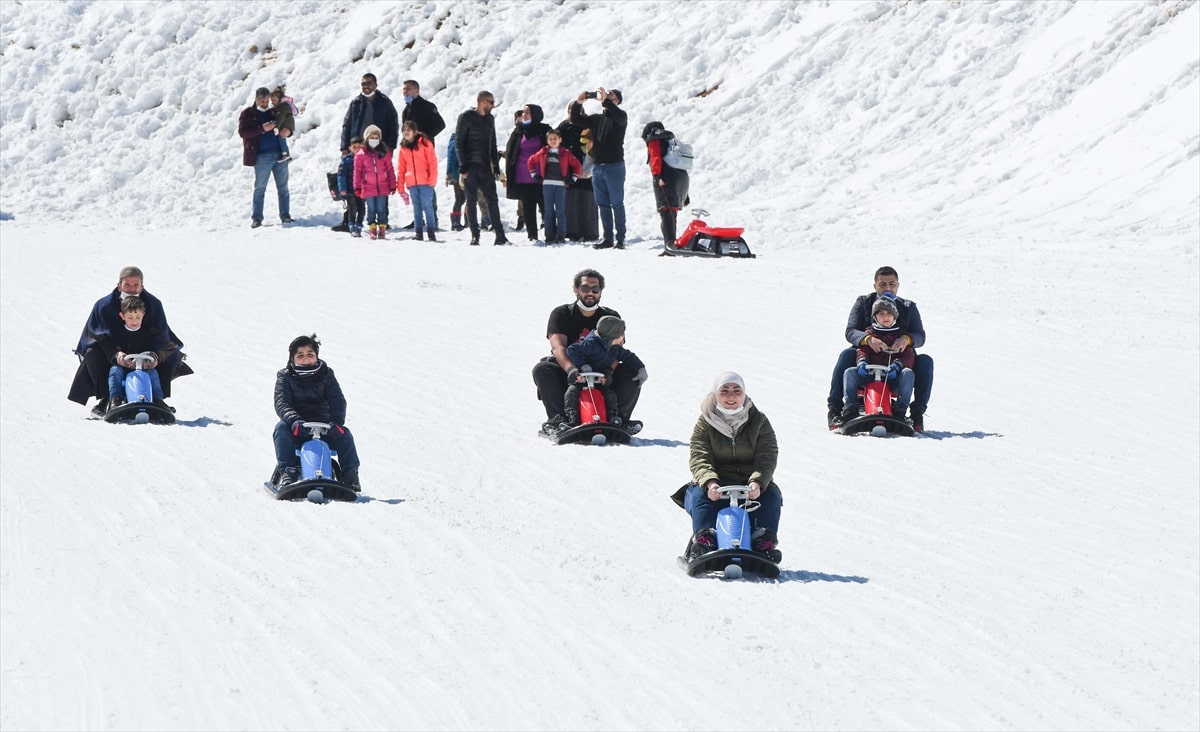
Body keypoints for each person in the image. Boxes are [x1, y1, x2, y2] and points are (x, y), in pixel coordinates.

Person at [670, 372, 783, 560]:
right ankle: (705, 539)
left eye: (736, 391)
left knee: (771, 495)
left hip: (748, 486)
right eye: (725, 391)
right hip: (716, 486)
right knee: (698, 495)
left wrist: (757, 482)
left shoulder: (758, 421)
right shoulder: (705, 422)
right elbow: (699, 455)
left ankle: (764, 541)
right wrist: (710, 482)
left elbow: (767, 455)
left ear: (744, 394)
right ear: (716, 395)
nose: (731, 396)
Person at [531, 269, 647, 435]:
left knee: (632, 371)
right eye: (585, 288)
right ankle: (558, 421)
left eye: (595, 289)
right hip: (571, 372)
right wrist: (572, 370)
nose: (590, 293)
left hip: (602, 373)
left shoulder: (610, 317)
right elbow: (558, 347)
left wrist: (608, 372)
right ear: (576, 289)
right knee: (542, 369)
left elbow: (617, 350)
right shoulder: (562, 314)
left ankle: (620, 420)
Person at [69, 266, 191, 416]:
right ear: (119, 285)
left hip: (145, 350)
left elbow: (160, 336)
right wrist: (116, 354)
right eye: (127, 284)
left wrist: (155, 357)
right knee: (92, 353)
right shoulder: (103, 306)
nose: (132, 289)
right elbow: (99, 337)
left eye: (136, 285)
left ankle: (158, 400)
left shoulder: (154, 305)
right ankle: (107, 399)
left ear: (142, 286)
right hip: (113, 353)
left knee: (172, 355)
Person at [826, 266, 934, 432]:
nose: (888, 288)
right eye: (883, 284)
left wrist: (906, 339)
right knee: (847, 355)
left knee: (925, 361)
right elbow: (851, 331)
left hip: (898, 361)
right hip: (868, 358)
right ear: (875, 285)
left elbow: (920, 336)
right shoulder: (864, 302)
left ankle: (916, 414)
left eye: (892, 284)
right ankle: (837, 410)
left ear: (898, 285)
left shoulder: (908, 307)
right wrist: (867, 340)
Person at [273, 334, 361, 491]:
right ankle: (289, 472)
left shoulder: (326, 374)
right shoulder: (285, 376)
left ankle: (350, 475)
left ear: (316, 356)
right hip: (297, 429)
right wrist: (294, 421)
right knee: (280, 429)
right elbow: (282, 402)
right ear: (292, 358)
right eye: (300, 355)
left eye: (310, 355)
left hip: (325, 427)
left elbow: (338, 400)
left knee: (345, 435)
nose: (306, 359)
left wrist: (336, 422)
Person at [334, 73, 399, 232]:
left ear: (376, 84)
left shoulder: (385, 102)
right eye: (363, 84)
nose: (366, 86)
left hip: (378, 149)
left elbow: (393, 124)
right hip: (358, 148)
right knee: (353, 183)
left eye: (369, 83)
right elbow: (347, 125)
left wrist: (390, 147)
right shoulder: (356, 103)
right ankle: (350, 219)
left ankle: (382, 220)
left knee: (379, 183)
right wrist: (344, 147)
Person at [840, 296, 916, 425]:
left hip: (892, 377)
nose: (885, 317)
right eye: (881, 314)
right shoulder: (870, 334)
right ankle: (850, 409)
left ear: (895, 316)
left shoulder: (901, 336)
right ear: (875, 317)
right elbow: (862, 350)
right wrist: (862, 362)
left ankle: (900, 411)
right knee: (850, 372)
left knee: (908, 373)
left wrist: (898, 365)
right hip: (869, 375)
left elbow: (909, 355)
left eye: (889, 314)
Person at [562, 315, 645, 430]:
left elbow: (628, 356)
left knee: (610, 396)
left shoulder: (614, 348)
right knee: (571, 393)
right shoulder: (591, 344)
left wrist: (641, 368)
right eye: (621, 334)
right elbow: (572, 350)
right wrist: (582, 366)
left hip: (599, 381)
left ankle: (613, 419)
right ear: (613, 336)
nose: (623, 338)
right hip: (581, 380)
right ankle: (572, 420)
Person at [569, 87, 627, 249]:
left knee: (617, 203)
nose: (607, 98)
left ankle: (620, 238)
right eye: (606, 95)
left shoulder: (621, 116)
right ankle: (607, 238)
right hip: (598, 167)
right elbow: (575, 119)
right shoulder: (596, 119)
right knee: (602, 204)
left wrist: (606, 101)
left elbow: (618, 117)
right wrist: (579, 102)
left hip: (614, 166)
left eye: (611, 97)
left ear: (618, 102)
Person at [454, 91, 510, 246]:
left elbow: (492, 143)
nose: (492, 105)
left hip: (485, 166)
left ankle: (500, 235)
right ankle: (475, 235)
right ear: (483, 102)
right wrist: (463, 165)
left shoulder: (490, 119)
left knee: (493, 199)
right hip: (470, 166)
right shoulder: (466, 117)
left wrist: (496, 166)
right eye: (491, 102)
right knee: (471, 200)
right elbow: (459, 142)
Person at [238, 86, 292, 228]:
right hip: (261, 156)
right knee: (260, 188)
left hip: (280, 154)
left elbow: (287, 121)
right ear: (255, 99)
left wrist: (289, 131)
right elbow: (243, 132)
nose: (264, 104)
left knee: (283, 188)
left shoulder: (274, 111)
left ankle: (285, 215)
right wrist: (262, 129)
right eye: (261, 101)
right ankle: (257, 218)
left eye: (266, 101)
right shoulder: (247, 114)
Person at [105, 296, 167, 413]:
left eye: (138, 317)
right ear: (122, 316)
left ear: (143, 315)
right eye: (130, 317)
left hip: (143, 366)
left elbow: (152, 347)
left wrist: (152, 357)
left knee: (153, 373)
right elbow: (112, 346)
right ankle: (115, 399)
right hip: (124, 366)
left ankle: (158, 400)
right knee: (115, 371)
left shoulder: (147, 333)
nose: (134, 321)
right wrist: (119, 355)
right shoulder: (118, 332)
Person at [400, 79, 446, 230]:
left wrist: (424, 136)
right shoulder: (406, 110)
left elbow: (440, 124)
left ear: (416, 91)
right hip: (411, 154)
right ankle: (418, 218)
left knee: (427, 185)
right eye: (404, 90)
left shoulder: (427, 107)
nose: (405, 92)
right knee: (414, 185)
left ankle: (433, 217)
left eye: (408, 89)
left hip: (425, 153)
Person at [528, 128, 583, 244]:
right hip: (547, 185)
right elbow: (531, 161)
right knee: (548, 212)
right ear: (547, 140)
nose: (553, 141)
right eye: (550, 139)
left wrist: (573, 178)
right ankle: (549, 236)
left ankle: (561, 236)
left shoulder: (565, 153)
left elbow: (577, 164)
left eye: (555, 139)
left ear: (560, 140)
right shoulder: (543, 152)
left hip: (560, 186)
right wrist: (534, 175)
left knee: (560, 212)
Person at [640, 121, 689, 249]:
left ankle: (669, 245)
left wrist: (657, 176)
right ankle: (672, 243)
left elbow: (655, 157)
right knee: (672, 213)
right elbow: (679, 164)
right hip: (681, 179)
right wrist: (685, 194)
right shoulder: (671, 142)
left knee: (666, 212)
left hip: (665, 177)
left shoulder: (654, 140)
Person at [506, 104, 551, 242]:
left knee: (546, 206)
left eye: (527, 112)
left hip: (541, 175)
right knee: (528, 207)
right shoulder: (518, 131)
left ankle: (550, 234)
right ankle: (532, 235)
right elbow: (511, 152)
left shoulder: (544, 130)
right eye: (524, 112)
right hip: (522, 174)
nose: (524, 115)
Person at [395, 120, 439, 241]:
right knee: (417, 208)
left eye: (408, 130)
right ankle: (418, 232)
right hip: (412, 183)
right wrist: (400, 186)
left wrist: (432, 179)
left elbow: (432, 162)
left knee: (427, 206)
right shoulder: (403, 148)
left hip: (425, 181)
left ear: (415, 131)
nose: (406, 132)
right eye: (404, 130)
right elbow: (401, 168)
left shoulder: (425, 143)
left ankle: (431, 231)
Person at [353, 124, 396, 240]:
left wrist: (392, 185)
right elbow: (357, 172)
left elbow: (390, 169)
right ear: (367, 138)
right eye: (372, 137)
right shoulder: (361, 155)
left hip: (382, 186)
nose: (374, 140)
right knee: (371, 209)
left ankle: (382, 228)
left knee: (381, 209)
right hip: (368, 187)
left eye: (376, 138)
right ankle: (372, 228)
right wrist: (357, 187)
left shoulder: (384, 152)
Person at [336, 136, 365, 237]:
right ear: (350, 148)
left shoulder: (365, 159)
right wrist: (342, 188)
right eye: (354, 147)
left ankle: (359, 225)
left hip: (362, 190)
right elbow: (341, 175)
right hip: (350, 190)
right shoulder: (346, 161)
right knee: (352, 208)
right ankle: (351, 225)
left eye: (359, 147)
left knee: (362, 209)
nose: (357, 149)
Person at [445, 132, 466, 231]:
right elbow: (451, 158)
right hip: (456, 175)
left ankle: (468, 221)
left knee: (467, 199)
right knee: (460, 199)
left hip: (465, 174)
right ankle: (455, 222)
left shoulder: (465, 140)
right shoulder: (455, 141)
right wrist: (449, 173)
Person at [270, 86, 296, 163]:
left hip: (286, 124)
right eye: (272, 100)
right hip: (286, 124)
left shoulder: (283, 106)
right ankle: (286, 154)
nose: (272, 102)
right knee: (281, 137)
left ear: (280, 99)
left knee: (281, 136)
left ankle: (285, 154)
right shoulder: (280, 107)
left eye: (274, 100)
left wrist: (276, 127)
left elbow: (280, 117)